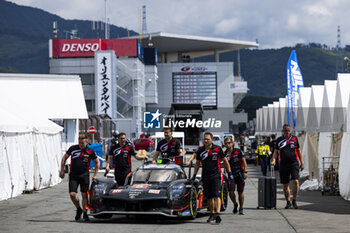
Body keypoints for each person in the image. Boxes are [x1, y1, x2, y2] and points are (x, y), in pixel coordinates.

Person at [191, 132, 234, 224]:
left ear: (212, 140)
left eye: (208, 139)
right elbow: (197, 164)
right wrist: (194, 175)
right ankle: (212, 213)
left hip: (216, 176)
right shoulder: (200, 150)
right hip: (205, 176)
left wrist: (230, 173)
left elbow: (225, 161)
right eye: (204, 139)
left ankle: (217, 214)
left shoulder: (217, 149)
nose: (206, 141)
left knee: (216, 195)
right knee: (209, 196)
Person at [59, 133, 100, 222]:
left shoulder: (90, 151)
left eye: (83, 143)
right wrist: (62, 170)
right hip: (73, 175)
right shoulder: (73, 149)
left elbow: (97, 162)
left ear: (86, 142)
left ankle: (85, 213)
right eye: (80, 143)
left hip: (84, 175)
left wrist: (95, 175)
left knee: (84, 194)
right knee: (72, 194)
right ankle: (78, 208)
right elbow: (64, 158)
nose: (81, 144)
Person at [271, 124, 304, 209]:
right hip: (283, 164)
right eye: (285, 130)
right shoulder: (279, 140)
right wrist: (274, 160)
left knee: (296, 181)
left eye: (288, 130)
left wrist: (302, 162)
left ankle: (294, 200)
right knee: (285, 184)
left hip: (294, 163)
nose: (287, 132)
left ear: (290, 131)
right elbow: (275, 152)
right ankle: (288, 201)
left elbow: (299, 151)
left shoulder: (294, 139)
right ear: (282, 131)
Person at [224, 136, 247, 215]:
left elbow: (244, 162)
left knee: (240, 192)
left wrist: (245, 171)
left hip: (239, 174)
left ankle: (241, 208)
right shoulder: (224, 153)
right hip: (230, 175)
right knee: (231, 192)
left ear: (232, 143)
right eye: (225, 143)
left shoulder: (238, 151)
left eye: (229, 143)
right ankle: (235, 204)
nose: (227, 144)